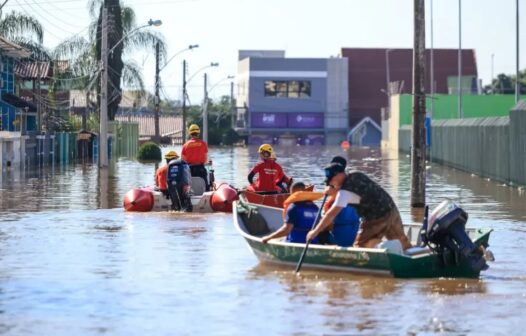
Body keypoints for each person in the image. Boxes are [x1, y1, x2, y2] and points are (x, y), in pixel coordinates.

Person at [306, 161, 412, 250]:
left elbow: (331, 214)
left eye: (331, 180)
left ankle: (383, 249)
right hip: (391, 208)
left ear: (339, 175)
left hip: (376, 217)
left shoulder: (343, 194)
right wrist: (335, 189)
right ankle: (411, 255)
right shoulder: (356, 174)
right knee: (402, 240)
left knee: (360, 247)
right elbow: (354, 190)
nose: (331, 183)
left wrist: (315, 231)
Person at [321, 156, 361, 247]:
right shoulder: (354, 193)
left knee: (317, 233)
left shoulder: (332, 203)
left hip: (339, 239)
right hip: (354, 236)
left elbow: (328, 225)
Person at [181, 124, 210, 191]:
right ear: (198, 133)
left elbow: (183, 161)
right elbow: (205, 160)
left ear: (190, 133)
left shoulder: (185, 145)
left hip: (189, 170)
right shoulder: (203, 144)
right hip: (200, 169)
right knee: (206, 186)